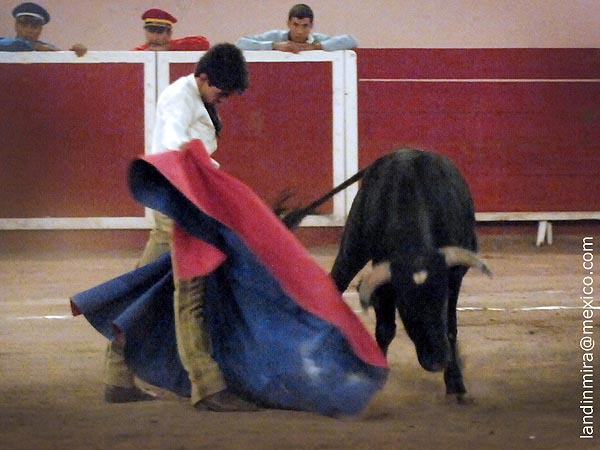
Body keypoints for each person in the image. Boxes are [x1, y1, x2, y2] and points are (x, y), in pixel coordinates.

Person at [104, 43, 260, 413]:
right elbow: (176, 151)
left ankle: (117, 374)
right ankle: (206, 385)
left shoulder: (196, 98)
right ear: (202, 77)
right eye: (220, 93)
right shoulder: (179, 97)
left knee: (145, 290)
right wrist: (211, 183)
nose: (222, 100)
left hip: (176, 201)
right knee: (190, 292)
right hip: (179, 202)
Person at [235, 3, 357, 53]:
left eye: (305, 26)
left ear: (311, 26)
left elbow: (351, 41)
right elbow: (240, 44)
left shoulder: (317, 40)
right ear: (288, 24)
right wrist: (275, 46)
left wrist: (314, 47)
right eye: (295, 25)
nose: (300, 31)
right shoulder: (275, 37)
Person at [0, 2, 87, 56]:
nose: (29, 30)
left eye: (34, 27)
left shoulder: (48, 48)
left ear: (40, 29)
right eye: (24, 25)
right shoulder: (5, 43)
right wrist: (34, 46)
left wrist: (75, 54)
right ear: (16, 26)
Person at [133, 8, 209, 51]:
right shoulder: (138, 52)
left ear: (169, 33)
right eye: (151, 31)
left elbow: (203, 43)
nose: (154, 37)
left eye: (159, 32)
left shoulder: (178, 47)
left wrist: (168, 48)